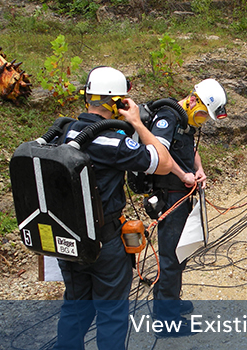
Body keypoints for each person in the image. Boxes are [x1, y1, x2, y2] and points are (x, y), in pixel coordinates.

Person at [53, 67, 173, 350]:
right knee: (111, 312)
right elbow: (163, 163)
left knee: (75, 306)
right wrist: (138, 124)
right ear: (117, 101)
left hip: (69, 239)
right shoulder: (113, 141)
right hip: (105, 242)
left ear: (88, 98)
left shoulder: (63, 131)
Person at [149, 78, 228, 338]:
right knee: (172, 257)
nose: (203, 120)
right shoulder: (168, 116)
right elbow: (160, 151)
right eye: (203, 113)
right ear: (193, 99)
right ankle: (166, 320)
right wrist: (183, 175)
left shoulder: (185, 121)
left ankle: (167, 300)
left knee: (181, 252)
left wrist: (199, 170)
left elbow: (190, 149)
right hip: (170, 195)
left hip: (183, 193)